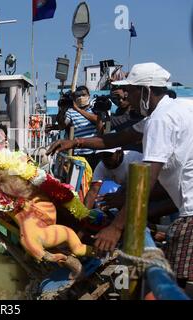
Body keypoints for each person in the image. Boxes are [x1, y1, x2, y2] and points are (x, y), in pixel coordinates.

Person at [47, 62, 193, 286]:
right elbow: (116, 139)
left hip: (189, 212)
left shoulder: (160, 121)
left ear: (145, 90)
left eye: (131, 91)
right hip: (183, 203)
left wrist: (115, 228)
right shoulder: (174, 109)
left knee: (172, 281)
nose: (127, 97)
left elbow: (147, 179)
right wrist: (76, 141)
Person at [55, 86, 99, 169]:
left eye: (83, 95)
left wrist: (78, 109)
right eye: (78, 96)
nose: (80, 97)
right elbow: (62, 125)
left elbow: (97, 120)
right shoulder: (70, 112)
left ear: (88, 96)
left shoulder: (94, 109)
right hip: (79, 153)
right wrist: (62, 110)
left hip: (93, 152)